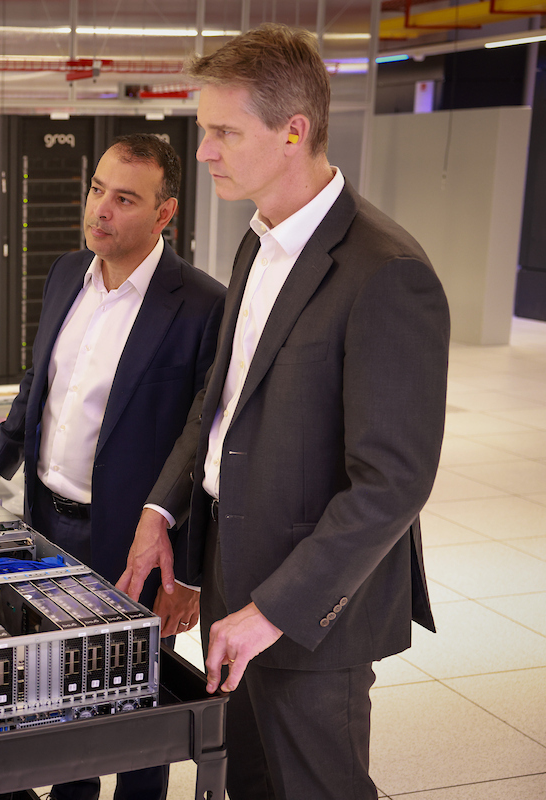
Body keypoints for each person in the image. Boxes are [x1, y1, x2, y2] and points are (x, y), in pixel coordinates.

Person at [122, 24, 450, 800]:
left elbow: (392, 484)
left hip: (312, 606)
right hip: (234, 575)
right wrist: (160, 508)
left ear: (294, 131)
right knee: (252, 782)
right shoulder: (258, 243)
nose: (204, 153)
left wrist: (275, 608)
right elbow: (222, 399)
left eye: (224, 133)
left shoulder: (386, 272)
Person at [0, 133, 225, 800]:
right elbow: (35, 391)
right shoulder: (65, 272)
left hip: (132, 543)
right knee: (57, 697)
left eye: (125, 198)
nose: (101, 208)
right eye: (98, 189)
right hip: (46, 529)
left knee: (134, 707)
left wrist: (185, 575)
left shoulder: (201, 306)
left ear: (164, 214)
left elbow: (205, 442)